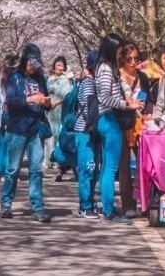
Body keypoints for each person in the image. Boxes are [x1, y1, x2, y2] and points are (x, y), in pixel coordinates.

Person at [1, 42, 54, 222]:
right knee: (13, 169)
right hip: (17, 128)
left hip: (36, 128)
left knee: (36, 170)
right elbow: (11, 101)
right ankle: (6, 203)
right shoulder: (13, 77)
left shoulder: (40, 78)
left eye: (37, 64)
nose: (34, 67)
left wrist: (46, 102)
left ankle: (38, 206)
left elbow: (45, 99)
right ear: (25, 60)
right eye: (32, 63)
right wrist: (31, 98)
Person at [95, 32, 134, 222]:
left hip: (107, 119)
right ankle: (109, 210)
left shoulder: (109, 68)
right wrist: (127, 104)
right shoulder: (105, 69)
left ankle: (107, 206)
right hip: (108, 120)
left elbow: (121, 85)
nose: (121, 54)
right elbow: (105, 97)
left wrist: (128, 94)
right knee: (111, 168)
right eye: (119, 50)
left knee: (106, 167)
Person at [119, 39, 152, 216]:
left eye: (136, 59)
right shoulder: (117, 77)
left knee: (144, 164)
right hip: (122, 124)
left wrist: (148, 111)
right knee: (124, 166)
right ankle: (128, 205)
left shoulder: (143, 77)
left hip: (141, 125)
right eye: (129, 59)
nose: (133, 63)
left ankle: (146, 202)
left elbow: (150, 101)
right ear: (122, 60)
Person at [74, 49, 100, 217]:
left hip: (92, 131)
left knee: (93, 169)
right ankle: (85, 205)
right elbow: (90, 109)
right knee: (87, 168)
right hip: (86, 130)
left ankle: (90, 201)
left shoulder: (93, 83)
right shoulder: (89, 84)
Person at [47, 55, 73, 177]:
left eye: (61, 65)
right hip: (49, 109)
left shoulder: (65, 80)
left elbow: (66, 96)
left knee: (59, 133)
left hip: (60, 108)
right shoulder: (49, 79)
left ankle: (59, 160)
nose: (59, 67)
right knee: (50, 134)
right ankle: (49, 159)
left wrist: (56, 102)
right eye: (57, 65)